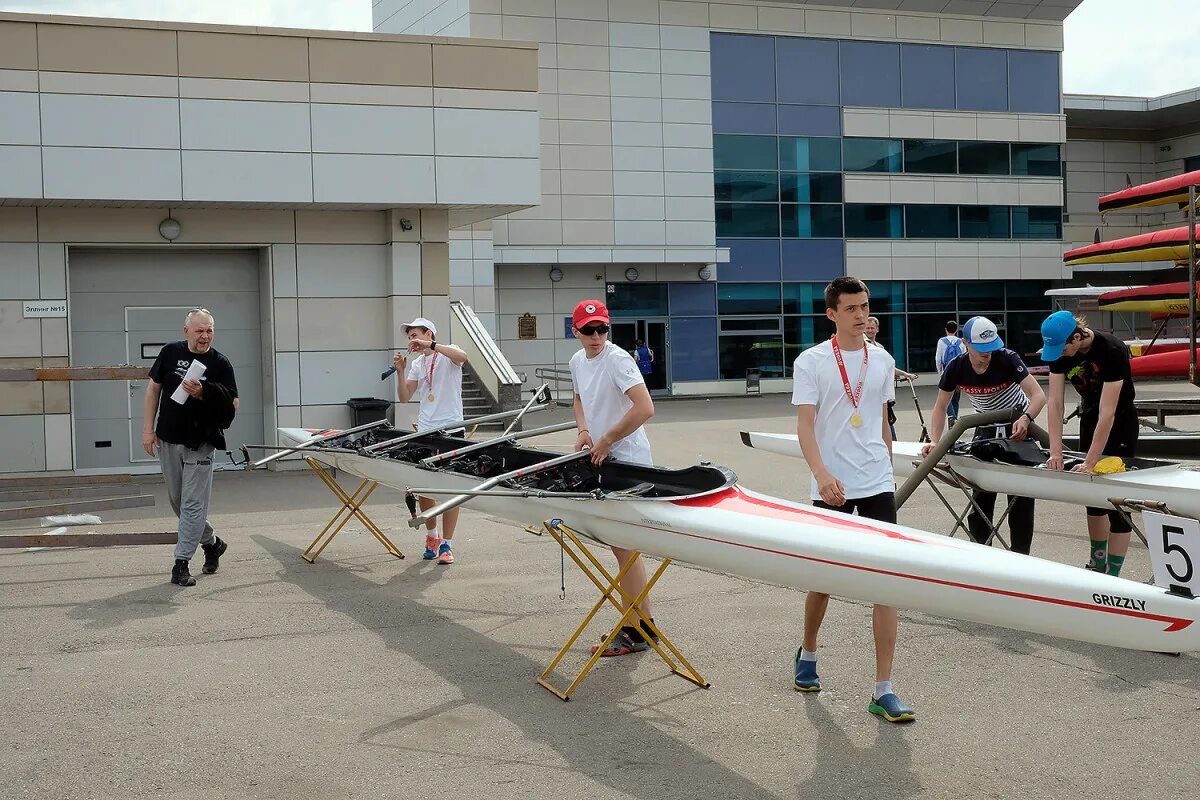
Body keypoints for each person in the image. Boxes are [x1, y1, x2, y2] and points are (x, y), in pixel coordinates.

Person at [791, 277, 914, 724]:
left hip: (876, 480)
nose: (862, 315)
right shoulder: (811, 361)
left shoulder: (882, 359)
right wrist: (821, 474)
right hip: (831, 484)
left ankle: (884, 688)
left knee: (887, 581)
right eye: (851, 309)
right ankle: (807, 652)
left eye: (865, 307)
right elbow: (806, 426)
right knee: (824, 577)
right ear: (832, 314)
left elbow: (881, 421)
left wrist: (890, 462)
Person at [569, 299, 659, 657]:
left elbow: (645, 407)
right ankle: (638, 626)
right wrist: (585, 428)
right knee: (620, 547)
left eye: (602, 329)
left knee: (624, 546)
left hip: (629, 461)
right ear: (575, 331)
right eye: (588, 330)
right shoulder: (578, 361)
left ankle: (639, 629)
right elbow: (579, 398)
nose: (596, 336)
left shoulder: (618, 359)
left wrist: (607, 439)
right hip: (602, 456)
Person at [921, 316, 1046, 555]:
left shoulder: (1007, 358)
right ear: (965, 343)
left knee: (1020, 498)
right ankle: (981, 553)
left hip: (1018, 426)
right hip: (985, 426)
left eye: (991, 348)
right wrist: (936, 441)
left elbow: (1038, 395)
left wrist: (1027, 417)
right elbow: (940, 407)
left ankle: (1021, 557)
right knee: (982, 496)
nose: (987, 354)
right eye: (981, 349)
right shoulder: (956, 366)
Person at [142, 308, 238, 587]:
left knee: (193, 505)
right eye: (199, 330)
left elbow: (234, 404)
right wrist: (148, 430)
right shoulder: (170, 353)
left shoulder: (221, 363)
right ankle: (213, 543)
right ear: (186, 332)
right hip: (169, 438)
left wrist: (205, 393)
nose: (204, 336)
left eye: (209, 330)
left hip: (201, 442)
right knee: (178, 501)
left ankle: (181, 563)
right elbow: (153, 390)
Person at [1041, 311, 1139, 576]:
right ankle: (1097, 561)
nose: (1059, 354)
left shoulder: (1111, 350)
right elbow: (1056, 403)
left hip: (1119, 424)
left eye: (1062, 348)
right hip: (1088, 418)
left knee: (1117, 502)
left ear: (1076, 336)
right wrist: (1056, 451)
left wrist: (1091, 461)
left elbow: (1109, 412)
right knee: (1092, 500)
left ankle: (1114, 572)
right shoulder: (1059, 353)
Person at [393, 317, 470, 565]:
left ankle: (448, 544)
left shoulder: (448, 353)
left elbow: (463, 356)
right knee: (424, 486)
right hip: (426, 429)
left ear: (428, 334)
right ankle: (432, 536)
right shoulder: (418, 363)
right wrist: (401, 371)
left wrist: (432, 346)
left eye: (414, 335)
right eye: (409, 337)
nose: (410, 340)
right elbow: (405, 397)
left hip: (452, 429)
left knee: (451, 488)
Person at [865, 316, 916, 440]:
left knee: (887, 422)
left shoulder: (880, 347)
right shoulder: (862, 346)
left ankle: (891, 449)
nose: (870, 330)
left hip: (883, 394)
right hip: (869, 394)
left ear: (877, 329)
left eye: (872, 328)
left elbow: (888, 367)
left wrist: (905, 374)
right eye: (867, 328)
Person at [935, 321, 964, 425]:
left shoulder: (941, 341)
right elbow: (965, 358)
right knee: (956, 399)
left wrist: (940, 373)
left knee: (945, 399)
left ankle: (951, 417)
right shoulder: (961, 342)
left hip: (946, 373)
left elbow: (938, 359)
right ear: (956, 330)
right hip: (959, 375)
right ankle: (955, 419)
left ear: (946, 329)